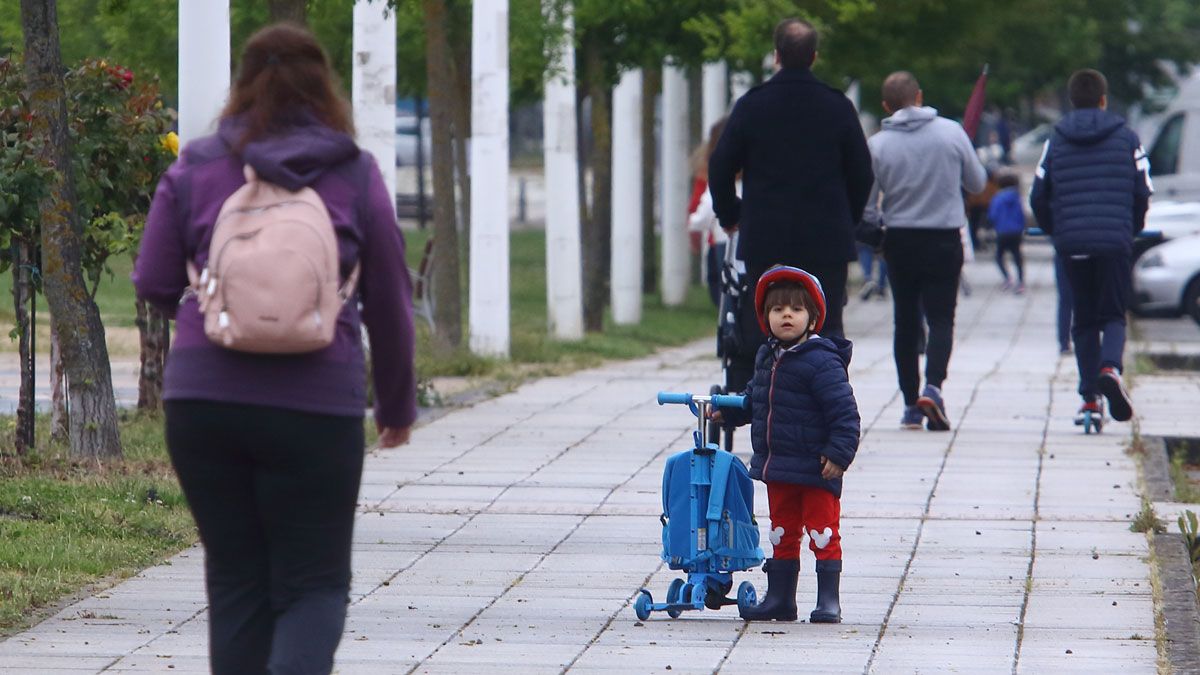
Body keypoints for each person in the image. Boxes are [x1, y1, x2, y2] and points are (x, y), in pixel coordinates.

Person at [133, 24, 416, 674]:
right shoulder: (353, 171)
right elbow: (391, 303)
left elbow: (151, 282)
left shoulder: (197, 165)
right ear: (324, 86)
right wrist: (396, 406)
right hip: (316, 404)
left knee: (236, 581)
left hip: (205, 402)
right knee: (312, 584)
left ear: (242, 83)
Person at [708, 17, 873, 396]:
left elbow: (720, 165)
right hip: (825, 239)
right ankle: (827, 397)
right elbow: (862, 173)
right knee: (826, 323)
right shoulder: (838, 106)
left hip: (767, 237)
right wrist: (846, 220)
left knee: (764, 319)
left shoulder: (752, 105)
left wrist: (732, 214)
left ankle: (761, 396)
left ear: (777, 56)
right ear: (814, 56)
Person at [711, 266, 860, 623]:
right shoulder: (768, 356)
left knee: (822, 533)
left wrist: (838, 455)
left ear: (813, 318)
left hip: (815, 466)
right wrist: (730, 413)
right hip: (778, 468)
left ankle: (828, 600)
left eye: (796, 309)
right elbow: (755, 399)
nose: (787, 315)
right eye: (778, 310)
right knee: (782, 532)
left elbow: (845, 414)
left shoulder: (822, 361)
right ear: (766, 319)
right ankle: (781, 597)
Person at [862, 71, 987, 431]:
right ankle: (933, 386)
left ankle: (909, 404)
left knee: (905, 320)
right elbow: (977, 183)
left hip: (900, 241)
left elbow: (868, 207)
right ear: (919, 96)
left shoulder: (879, 145)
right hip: (945, 238)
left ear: (886, 105)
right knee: (942, 318)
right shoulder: (952, 133)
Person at [1030, 68, 1151, 425]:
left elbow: (1039, 195)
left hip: (1072, 244)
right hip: (1115, 241)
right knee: (1113, 313)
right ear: (1103, 99)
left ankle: (1089, 399)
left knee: (1082, 319)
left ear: (1072, 100)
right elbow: (1143, 190)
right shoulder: (1128, 138)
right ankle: (1111, 368)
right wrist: (1132, 229)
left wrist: (1057, 230)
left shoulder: (1056, 139)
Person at [688, 117, 732, 307]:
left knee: (722, 289)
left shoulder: (710, 174)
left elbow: (701, 208)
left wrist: (694, 227)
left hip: (720, 239)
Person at [989, 171, 1026, 293]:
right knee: (1017, 255)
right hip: (1016, 231)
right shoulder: (1017, 198)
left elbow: (993, 215)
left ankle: (1007, 278)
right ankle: (1021, 282)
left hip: (1002, 231)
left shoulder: (997, 198)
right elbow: (1022, 214)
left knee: (999, 255)